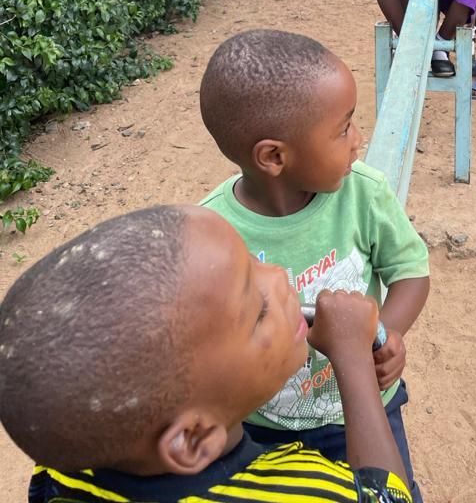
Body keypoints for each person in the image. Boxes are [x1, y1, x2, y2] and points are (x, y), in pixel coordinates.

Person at [0, 205, 413, 503]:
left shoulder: (60, 476)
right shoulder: (308, 490)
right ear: (194, 439)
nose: (281, 277)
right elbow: (387, 495)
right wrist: (353, 358)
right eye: (258, 311)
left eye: (255, 264)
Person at [199, 30, 429, 501]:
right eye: (343, 129)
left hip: (366, 408)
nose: (358, 141)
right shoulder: (212, 235)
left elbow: (410, 271)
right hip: (264, 429)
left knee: (387, 491)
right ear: (274, 156)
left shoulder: (363, 193)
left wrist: (383, 335)